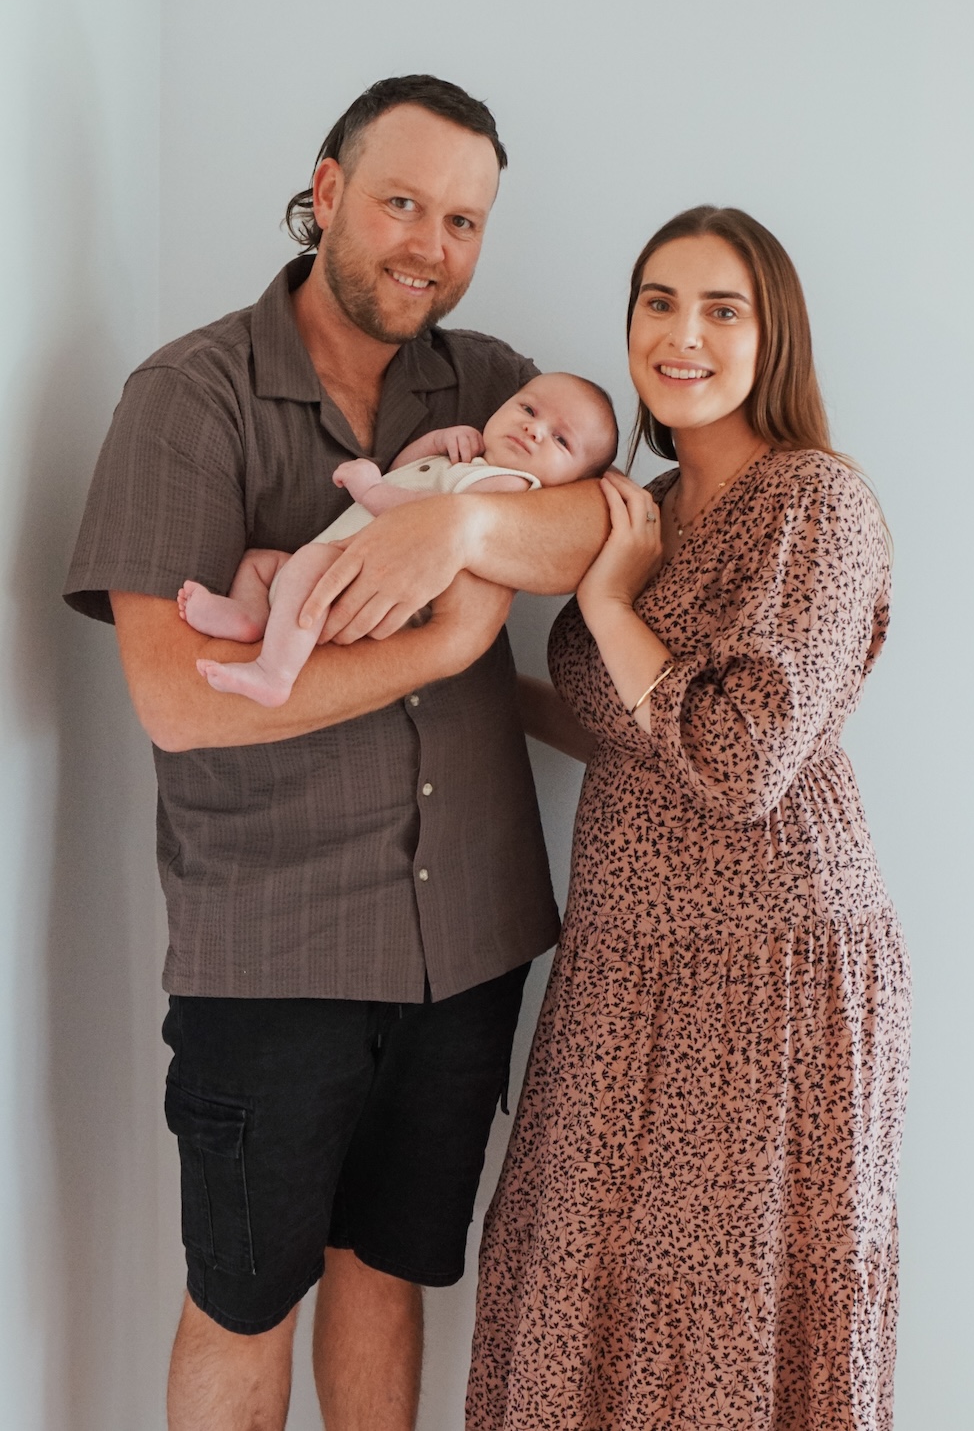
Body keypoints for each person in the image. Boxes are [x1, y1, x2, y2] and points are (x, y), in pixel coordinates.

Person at [63, 75, 608, 1431]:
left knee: (389, 1272)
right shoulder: (189, 397)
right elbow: (177, 701)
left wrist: (460, 531)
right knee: (244, 1299)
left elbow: (607, 524)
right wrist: (441, 640)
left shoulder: (495, 387)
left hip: (464, 943)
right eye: (403, 204)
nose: (431, 246)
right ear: (327, 192)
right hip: (274, 949)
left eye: (463, 221)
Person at [467, 206, 911, 1430]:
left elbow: (735, 759)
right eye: (658, 301)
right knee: (579, 1295)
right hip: (623, 958)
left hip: (764, 971)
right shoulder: (648, 502)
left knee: (727, 1316)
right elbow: (635, 730)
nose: (683, 335)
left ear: (775, 337)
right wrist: (467, 699)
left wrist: (610, 604)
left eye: (723, 309)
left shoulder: (814, 503)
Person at [178, 372, 618, 706]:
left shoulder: (511, 488)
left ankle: (274, 673)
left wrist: (370, 491)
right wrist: (436, 442)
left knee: (307, 565)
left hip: (366, 578)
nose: (534, 430)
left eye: (561, 440)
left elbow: (427, 518)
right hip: (335, 557)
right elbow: (403, 472)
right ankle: (251, 617)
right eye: (528, 410)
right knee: (260, 562)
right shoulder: (470, 463)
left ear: (575, 481)